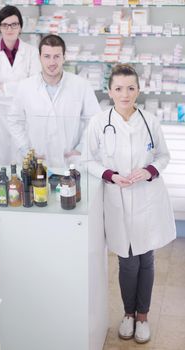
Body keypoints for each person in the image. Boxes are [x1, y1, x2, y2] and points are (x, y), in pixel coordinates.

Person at [83, 64, 176, 344]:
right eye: (119, 88)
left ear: (138, 90)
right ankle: (127, 314)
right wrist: (109, 175)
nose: (126, 94)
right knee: (126, 261)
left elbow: (163, 156)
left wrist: (149, 171)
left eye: (131, 88)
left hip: (147, 198)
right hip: (117, 198)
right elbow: (87, 160)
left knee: (146, 259)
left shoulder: (149, 121)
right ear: (110, 91)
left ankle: (143, 316)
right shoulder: (99, 122)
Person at [8, 34, 101, 167]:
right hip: (37, 162)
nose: (52, 62)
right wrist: (26, 150)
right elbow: (14, 121)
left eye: (57, 56)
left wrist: (81, 148)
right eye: (47, 56)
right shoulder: (25, 86)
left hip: (70, 161)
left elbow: (94, 120)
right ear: (39, 57)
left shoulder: (81, 85)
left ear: (64, 57)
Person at [0, 5, 41, 165]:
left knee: (24, 162)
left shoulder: (32, 52)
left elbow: (34, 86)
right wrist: (20, 89)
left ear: (20, 26)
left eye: (14, 24)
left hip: (23, 116)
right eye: (5, 25)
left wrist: (4, 87)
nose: (10, 29)